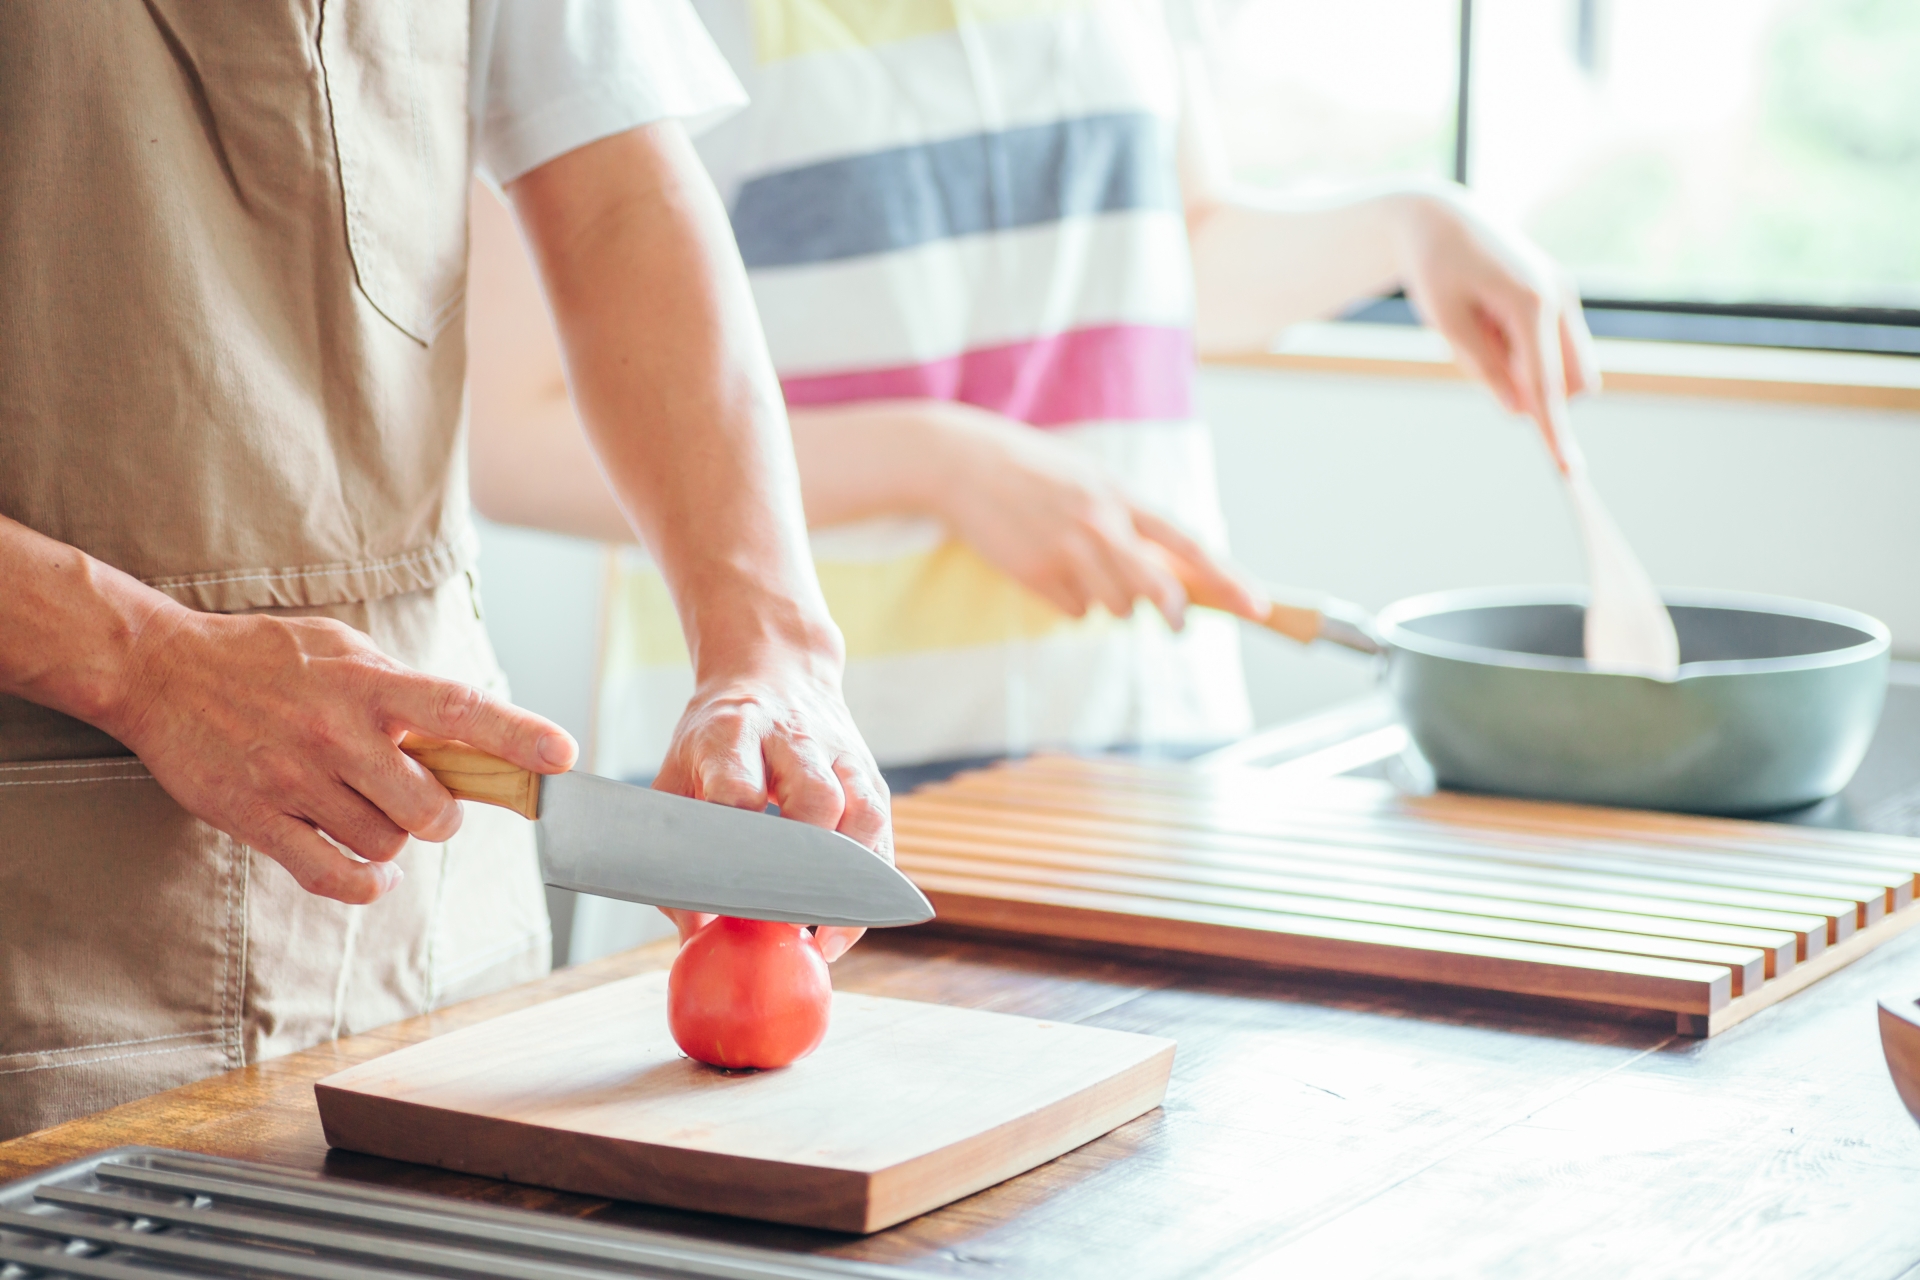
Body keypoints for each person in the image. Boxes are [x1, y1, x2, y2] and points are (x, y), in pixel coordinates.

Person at [0, 1, 890, 1140]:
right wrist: (140, 657)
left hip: (448, 957)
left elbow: (619, 196)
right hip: (55, 969)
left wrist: (771, 643)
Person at [469, 2, 1595, 780]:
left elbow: (1170, 260)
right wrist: (939, 461)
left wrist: (1413, 223)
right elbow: (513, 439)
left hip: (1139, 742)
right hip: (799, 770)